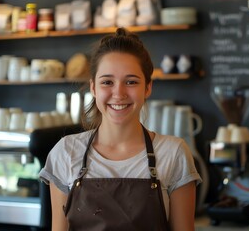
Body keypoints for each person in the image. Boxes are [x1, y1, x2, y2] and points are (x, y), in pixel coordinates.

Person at [39, 27, 202, 231]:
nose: (119, 93)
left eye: (131, 82)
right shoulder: (66, 152)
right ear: (93, 88)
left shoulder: (173, 153)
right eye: (107, 82)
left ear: (148, 88)